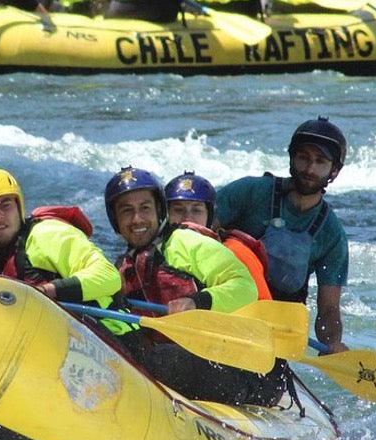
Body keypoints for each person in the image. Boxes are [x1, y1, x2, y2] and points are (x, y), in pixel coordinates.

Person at [105, 167, 287, 405]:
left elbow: (245, 287)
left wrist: (196, 302)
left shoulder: (186, 242)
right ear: (115, 220)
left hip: (249, 371)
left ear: (159, 211)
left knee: (157, 359)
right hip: (187, 361)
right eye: (127, 211)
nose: (137, 219)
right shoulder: (121, 268)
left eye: (145, 208)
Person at [214, 117, 350, 352]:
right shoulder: (250, 191)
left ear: (334, 170)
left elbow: (328, 310)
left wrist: (332, 344)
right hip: (223, 312)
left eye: (320, 161)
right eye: (303, 157)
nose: (309, 169)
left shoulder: (332, 234)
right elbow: (197, 232)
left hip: (273, 334)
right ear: (291, 158)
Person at [0, 169, 126, 317]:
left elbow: (109, 276)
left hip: (112, 332)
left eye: (5, 205)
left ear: (19, 207)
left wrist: (47, 291)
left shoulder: (48, 234)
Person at [163, 171, 272, 300]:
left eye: (196, 210)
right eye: (178, 210)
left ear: (210, 216)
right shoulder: (157, 247)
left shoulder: (236, 251)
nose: (187, 218)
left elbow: (262, 305)